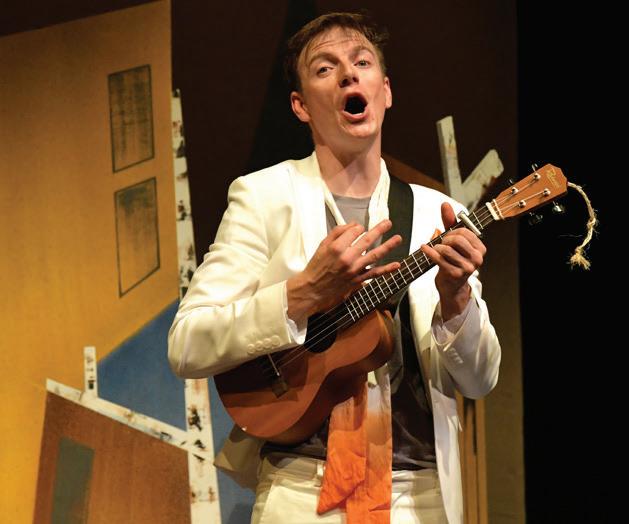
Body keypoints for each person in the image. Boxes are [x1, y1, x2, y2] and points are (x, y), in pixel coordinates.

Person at [168, 12, 500, 524]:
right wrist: (301, 294)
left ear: (384, 91)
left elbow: (479, 380)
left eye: (362, 63)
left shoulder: (437, 214)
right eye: (325, 68)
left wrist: (456, 300)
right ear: (300, 105)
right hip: (300, 491)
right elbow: (187, 343)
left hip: (420, 499)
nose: (348, 75)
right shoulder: (264, 197)